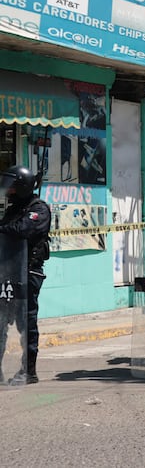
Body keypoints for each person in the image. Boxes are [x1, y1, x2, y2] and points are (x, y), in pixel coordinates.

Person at [0, 165, 51, 385]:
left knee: (26, 322)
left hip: (28, 272)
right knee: (1, 322)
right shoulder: (13, 209)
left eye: (12, 187)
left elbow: (22, 230)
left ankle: (28, 371)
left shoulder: (38, 208)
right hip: (7, 273)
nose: (8, 190)